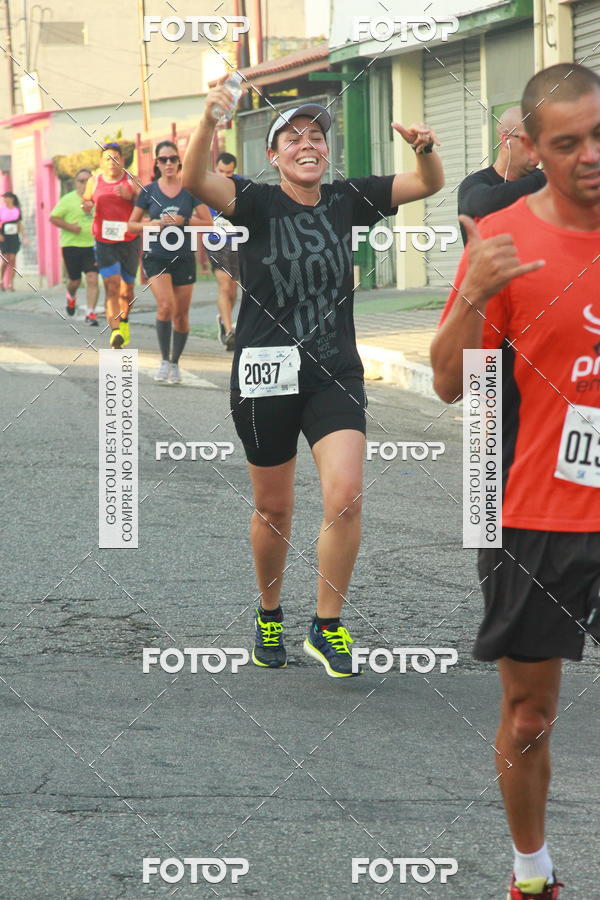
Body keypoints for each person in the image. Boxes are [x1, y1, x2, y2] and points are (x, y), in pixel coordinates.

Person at [183, 77, 444, 677]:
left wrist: (426, 147)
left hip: (333, 371)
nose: (308, 143)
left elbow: (428, 183)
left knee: (345, 494)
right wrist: (208, 120)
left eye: (317, 135)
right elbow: (197, 177)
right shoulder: (253, 201)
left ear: (327, 151)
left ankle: (327, 625)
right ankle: (269, 612)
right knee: (274, 508)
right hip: (265, 373)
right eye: (293, 137)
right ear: (273, 156)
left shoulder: (350, 197)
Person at [430, 63, 600, 899]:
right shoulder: (502, 238)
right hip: (539, 512)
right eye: (568, 143)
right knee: (531, 714)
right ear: (532, 148)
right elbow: (448, 382)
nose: (591, 155)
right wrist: (473, 298)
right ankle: (532, 873)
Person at [128, 140, 212, 384]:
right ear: (156, 163)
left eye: (172, 159)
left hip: (184, 257)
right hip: (156, 256)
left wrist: (183, 221)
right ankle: (164, 360)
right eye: (163, 159)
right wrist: (151, 224)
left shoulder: (190, 190)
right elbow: (131, 225)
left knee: (181, 316)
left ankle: (175, 362)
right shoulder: (149, 191)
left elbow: (208, 222)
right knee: (166, 306)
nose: (168, 164)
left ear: (179, 162)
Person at [458, 106, 547, 243]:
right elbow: (485, 203)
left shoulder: (544, 183)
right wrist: (545, 178)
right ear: (506, 140)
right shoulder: (475, 184)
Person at [82, 142, 141, 348]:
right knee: (112, 285)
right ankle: (115, 331)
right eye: (107, 158)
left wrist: (131, 195)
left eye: (116, 158)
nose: (112, 162)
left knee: (128, 290)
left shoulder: (131, 179)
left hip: (129, 241)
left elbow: (147, 201)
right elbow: (87, 203)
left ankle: (124, 321)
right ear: (101, 162)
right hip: (104, 240)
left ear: (122, 161)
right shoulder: (95, 181)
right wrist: (87, 205)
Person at [49, 168, 99, 323]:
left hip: (93, 245)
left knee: (92, 278)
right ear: (76, 183)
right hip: (71, 246)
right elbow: (53, 218)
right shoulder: (68, 199)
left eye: (87, 180)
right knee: (75, 281)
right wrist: (70, 227)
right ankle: (71, 296)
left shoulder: (98, 199)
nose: (84, 184)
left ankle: (90, 313)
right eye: (81, 181)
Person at [207, 151, 241, 351]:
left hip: (237, 241)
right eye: (221, 171)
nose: (225, 175)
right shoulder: (206, 184)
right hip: (215, 242)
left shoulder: (240, 185)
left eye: (229, 172)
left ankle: (223, 318)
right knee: (225, 286)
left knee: (234, 290)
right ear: (215, 168)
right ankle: (229, 333)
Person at [0, 192, 24, 291]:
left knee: (12, 259)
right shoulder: (1, 210)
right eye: (4, 198)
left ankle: (11, 283)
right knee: (5, 259)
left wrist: (23, 235)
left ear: (12, 199)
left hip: (14, 236)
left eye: (7, 198)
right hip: (4, 237)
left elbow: (19, 224)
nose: (5, 200)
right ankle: (1, 280)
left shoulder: (17, 210)